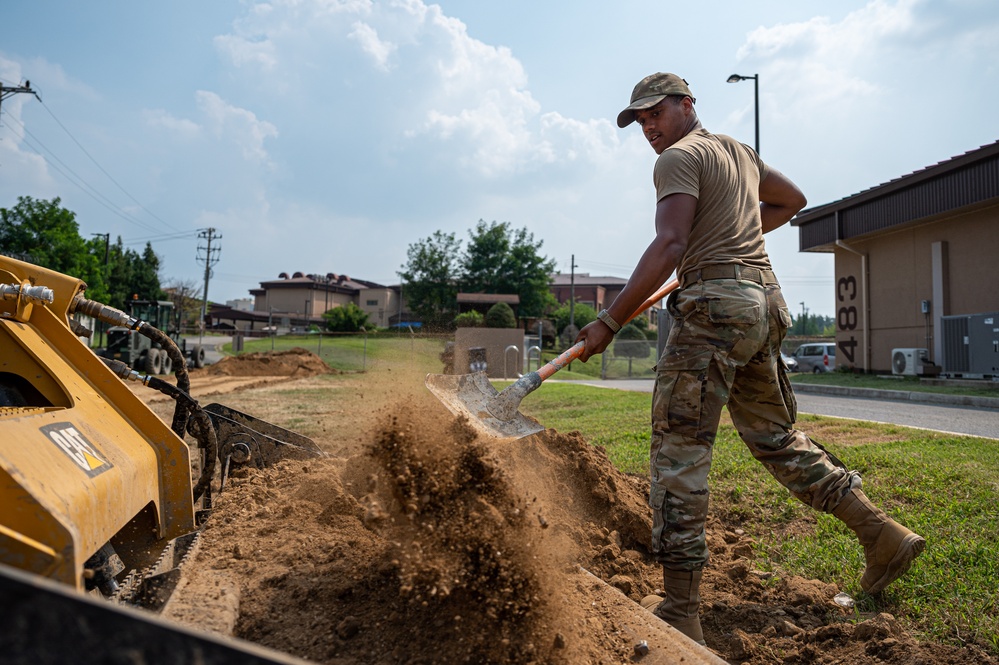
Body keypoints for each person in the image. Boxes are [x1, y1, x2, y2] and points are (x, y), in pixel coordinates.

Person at [574, 73, 925, 646]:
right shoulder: (738, 151)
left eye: (655, 113)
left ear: (687, 105)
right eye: (639, 121)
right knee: (776, 438)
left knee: (679, 450)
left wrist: (610, 321)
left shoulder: (678, 158)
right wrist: (729, 236)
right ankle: (881, 535)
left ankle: (681, 612)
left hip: (714, 309)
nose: (648, 128)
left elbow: (668, 245)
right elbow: (792, 201)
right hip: (763, 302)